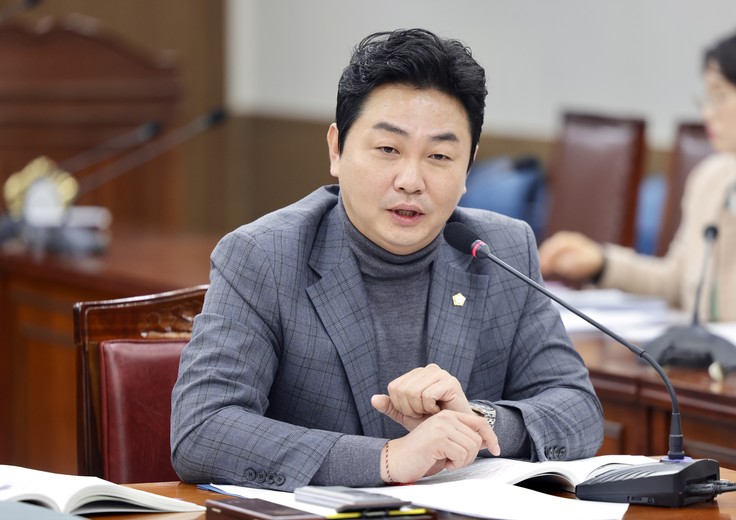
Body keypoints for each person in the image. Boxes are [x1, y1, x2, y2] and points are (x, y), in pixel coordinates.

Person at [170, 28, 603, 491]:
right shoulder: (263, 256)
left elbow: (578, 408)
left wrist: (478, 423)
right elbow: (203, 429)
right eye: (388, 150)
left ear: (468, 167)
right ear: (337, 149)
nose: (411, 180)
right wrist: (388, 460)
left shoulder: (501, 250)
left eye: (439, 155)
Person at [539, 24, 736, 329]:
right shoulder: (711, 179)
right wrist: (601, 263)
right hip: (698, 356)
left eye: (721, 96)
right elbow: (676, 282)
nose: (708, 113)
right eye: (706, 99)